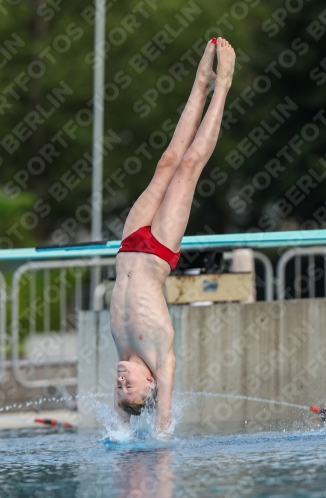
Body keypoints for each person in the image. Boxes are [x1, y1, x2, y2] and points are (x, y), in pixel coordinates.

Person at [110, 37, 236, 432]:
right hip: (159, 250)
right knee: (189, 166)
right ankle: (224, 85)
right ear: (150, 382)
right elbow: (163, 421)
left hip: (129, 243)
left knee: (166, 162)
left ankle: (200, 82)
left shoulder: (124, 352)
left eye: (117, 388)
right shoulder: (161, 360)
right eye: (128, 386)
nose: (119, 381)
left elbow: (120, 423)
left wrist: (123, 425)